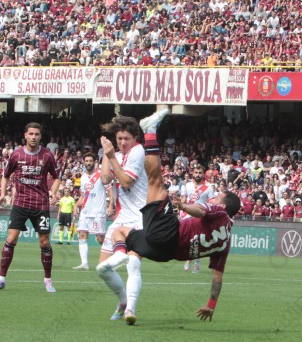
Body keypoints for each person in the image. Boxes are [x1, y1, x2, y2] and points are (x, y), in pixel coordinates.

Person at [98, 108, 239, 325]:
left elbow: (201, 210)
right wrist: (211, 305)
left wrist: (183, 205)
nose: (213, 198)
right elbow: (217, 277)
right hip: (165, 253)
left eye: (217, 197)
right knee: (119, 234)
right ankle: (124, 292)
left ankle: (151, 130)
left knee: (155, 180)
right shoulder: (225, 243)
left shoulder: (219, 212)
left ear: (223, 205)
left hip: (169, 233)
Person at [96, 113, 157, 322]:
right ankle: (123, 301)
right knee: (102, 269)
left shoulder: (138, 152)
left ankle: (130, 310)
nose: (122, 142)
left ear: (135, 139)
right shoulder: (116, 154)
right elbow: (105, 178)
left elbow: (126, 182)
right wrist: (107, 155)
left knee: (133, 263)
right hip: (121, 217)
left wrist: (112, 157)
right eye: (119, 138)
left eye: (126, 139)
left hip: (140, 218)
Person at [0, 122, 60, 293]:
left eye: (37, 134)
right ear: (25, 135)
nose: (34, 137)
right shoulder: (16, 154)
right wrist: (3, 193)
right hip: (20, 203)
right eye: (31, 134)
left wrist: (53, 191)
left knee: (44, 242)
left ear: (40, 136)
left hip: (40, 204)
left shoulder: (47, 155)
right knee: (11, 238)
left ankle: (48, 280)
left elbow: (57, 177)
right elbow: (5, 175)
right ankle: (1, 279)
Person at [73, 152, 112, 270]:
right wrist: (76, 205)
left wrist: (110, 206)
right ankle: (84, 263)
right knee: (82, 235)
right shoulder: (83, 177)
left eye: (91, 161)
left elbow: (110, 191)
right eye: (86, 161)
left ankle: (112, 259)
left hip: (98, 212)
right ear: (83, 162)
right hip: (85, 212)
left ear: (95, 162)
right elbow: (83, 195)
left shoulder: (101, 175)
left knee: (100, 239)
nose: (88, 163)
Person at [181, 164, 216, 272]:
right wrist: (180, 202)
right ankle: (196, 259)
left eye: (200, 173)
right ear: (193, 173)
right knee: (187, 240)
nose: (198, 175)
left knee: (196, 239)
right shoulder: (187, 186)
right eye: (196, 172)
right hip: (187, 214)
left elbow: (212, 202)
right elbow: (183, 200)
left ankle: (190, 260)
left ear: (203, 174)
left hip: (200, 215)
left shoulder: (209, 187)